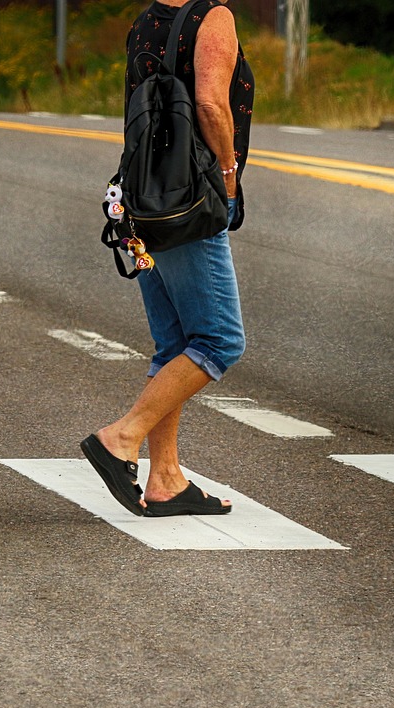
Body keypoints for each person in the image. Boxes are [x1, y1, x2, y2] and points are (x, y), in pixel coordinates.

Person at [81, 0, 254, 518]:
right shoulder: (213, 17)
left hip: (144, 198)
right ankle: (121, 437)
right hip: (188, 199)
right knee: (220, 340)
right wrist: (227, 174)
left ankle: (166, 478)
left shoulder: (148, 20)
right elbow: (209, 104)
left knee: (175, 342)